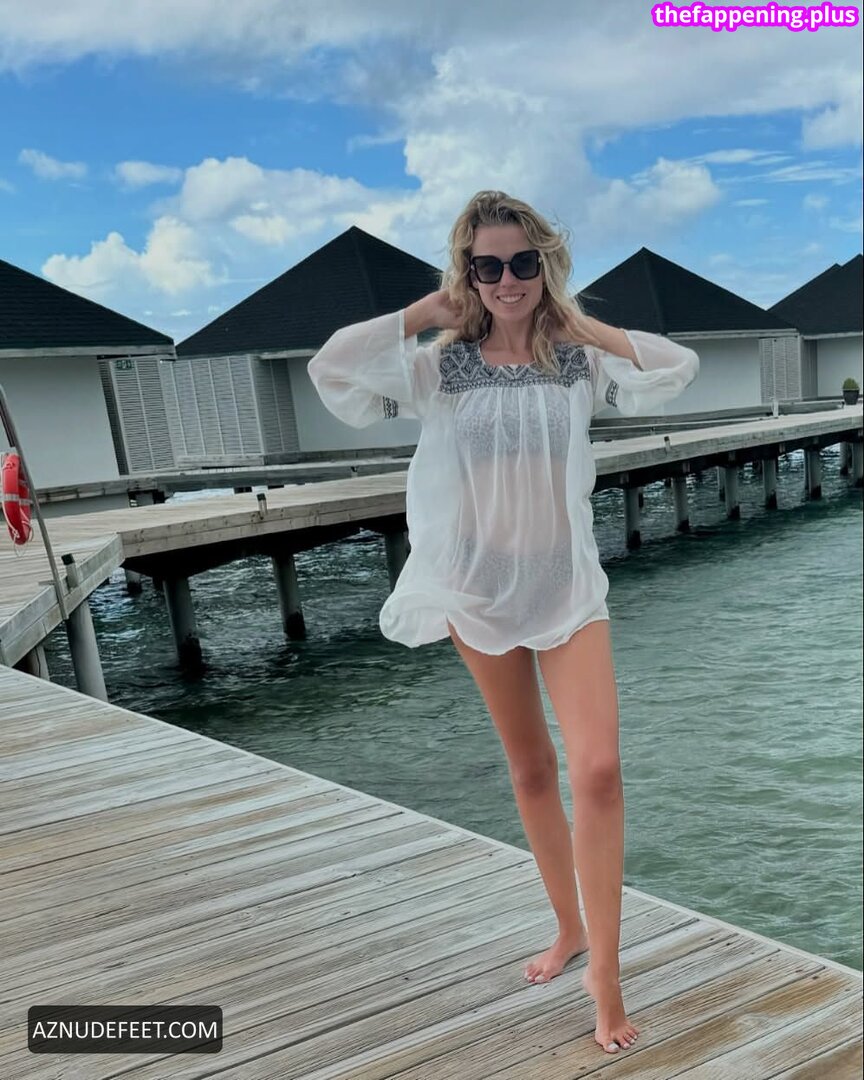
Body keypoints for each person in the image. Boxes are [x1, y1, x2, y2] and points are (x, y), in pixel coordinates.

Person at [308, 190, 699, 1055]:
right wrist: (423, 311)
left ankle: (606, 972)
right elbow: (331, 369)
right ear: (468, 272)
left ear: (544, 264)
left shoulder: (576, 361)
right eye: (488, 265)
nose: (507, 279)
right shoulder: (441, 368)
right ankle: (569, 927)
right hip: (478, 587)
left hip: (566, 588)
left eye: (523, 261)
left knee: (598, 770)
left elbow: (677, 366)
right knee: (530, 768)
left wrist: (581, 322)